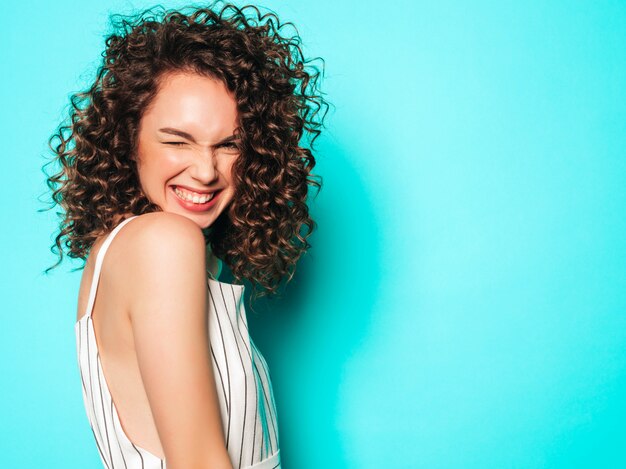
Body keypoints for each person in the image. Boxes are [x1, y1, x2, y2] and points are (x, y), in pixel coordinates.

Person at [42, 2, 329, 468]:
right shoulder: (164, 244)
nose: (205, 171)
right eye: (177, 140)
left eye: (229, 144)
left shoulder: (128, 250)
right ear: (128, 137)